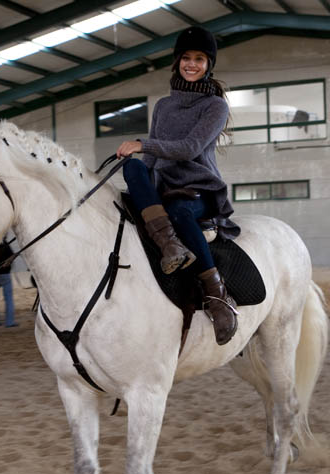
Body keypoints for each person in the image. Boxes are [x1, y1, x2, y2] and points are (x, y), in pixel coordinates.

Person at [117, 26, 239, 346]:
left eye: (199, 59)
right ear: (177, 61)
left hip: (199, 187)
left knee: (179, 211)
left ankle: (217, 295)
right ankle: (169, 245)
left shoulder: (215, 107)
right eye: (186, 57)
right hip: (165, 183)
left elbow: (189, 148)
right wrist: (138, 177)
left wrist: (141, 143)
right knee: (133, 168)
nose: (192, 64)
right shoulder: (163, 106)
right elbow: (151, 161)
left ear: (208, 64)